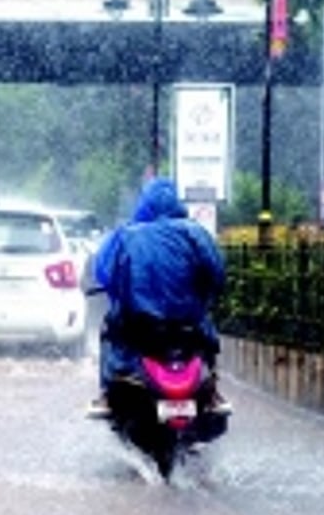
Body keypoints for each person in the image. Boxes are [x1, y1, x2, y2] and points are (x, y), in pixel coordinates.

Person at [87, 176, 231, 417]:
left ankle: (106, 395)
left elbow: (104, 273)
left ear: (145, 204)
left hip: (140, 325)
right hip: (188, 324)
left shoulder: (126, 235)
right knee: (208, 340)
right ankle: (214, 391)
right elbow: (217, 273)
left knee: (110, 333)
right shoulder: (195, 233)